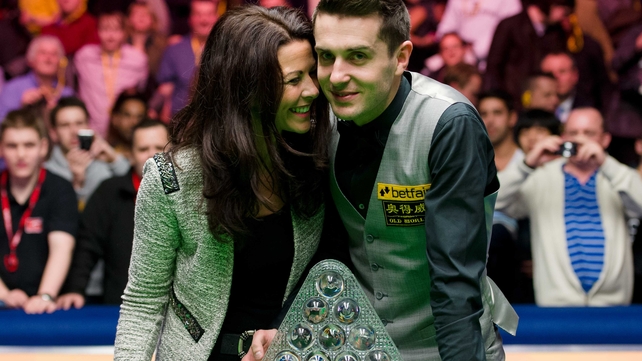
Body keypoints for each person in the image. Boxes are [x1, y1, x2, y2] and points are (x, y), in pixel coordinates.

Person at [274, 1, 513, 361]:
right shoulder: (319, 118)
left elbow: (454, 281)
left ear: (401, 57)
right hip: (360, 349)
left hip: (449, 348)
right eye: (326, 56)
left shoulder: (448, 123)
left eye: (357, 56)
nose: (336, 76)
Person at [114, 5, 330, 361]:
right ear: (248, 89)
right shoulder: (172, 179)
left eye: (313, 73)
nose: (312, 90)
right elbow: (143, 302)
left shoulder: (316, 159)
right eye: (294, 80)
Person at [499, 107, 641, 306]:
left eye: (589, 133)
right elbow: (490, 200)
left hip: (614, 309)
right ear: (564, 138)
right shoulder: (542, 177)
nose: (580, 140)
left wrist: (606, 163)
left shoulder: (618, 175)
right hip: (556, 308)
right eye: (573, 133)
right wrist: (527, 165)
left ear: (605, 139)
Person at [57, 119, 169, 308]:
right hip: (121, 308)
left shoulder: (187, 193)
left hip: (174, 311)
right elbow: (87, 245)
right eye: (143, 149)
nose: (152, 155)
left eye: (159, 147)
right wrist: (74, 289)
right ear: (130, 156)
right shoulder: (110, 191)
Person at [0, 109, 78, 314]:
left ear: (43, 147)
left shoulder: (60, 189)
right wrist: (4, 295)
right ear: (1, 148)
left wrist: (45, 295)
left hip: (48, 305)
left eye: (29, 145)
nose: (21, 154)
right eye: (12, 145)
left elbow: (61, 248)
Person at [45, 97, 131, 207]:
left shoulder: (102, 163)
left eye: (79, 123)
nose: (74, 131)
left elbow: (136, 187)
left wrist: (114, 159)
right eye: (65, 125)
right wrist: (77, 183)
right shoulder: (47, 172)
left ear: (88, 126)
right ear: (53, 133)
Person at [74, 12, 148, 137]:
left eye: (116, 30)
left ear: (125, 31)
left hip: (124, 130)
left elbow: (140, 91)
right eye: (105, 29)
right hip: (91, 128)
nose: (110, 35)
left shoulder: (137, 60)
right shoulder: (84, 57)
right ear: (97, 31)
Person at [156, 0, 219, 119]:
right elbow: (165, 89)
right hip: (179, 122)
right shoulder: (175, 49)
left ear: (217, 17)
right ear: (190, 18)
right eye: (198, 14)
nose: (204, 20)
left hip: (214, 122)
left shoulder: (226, 50)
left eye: (209, 14)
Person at [0, 35, 74, 121]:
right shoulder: (13, 89)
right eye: (43, 53)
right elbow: (2, 124)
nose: (48, 58)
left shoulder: (66, 93)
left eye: (54, 54)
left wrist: (57, 113)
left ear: (61, 62)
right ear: (31, 60)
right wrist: (22, 108)